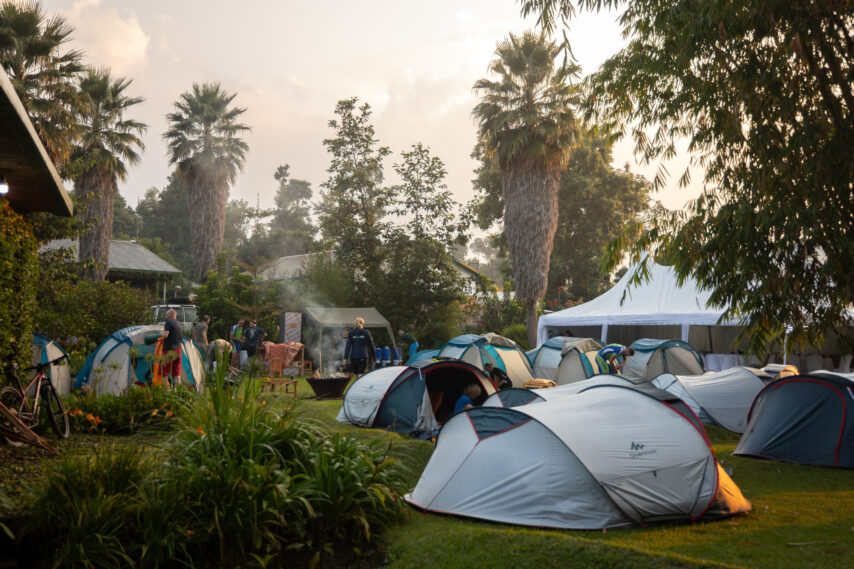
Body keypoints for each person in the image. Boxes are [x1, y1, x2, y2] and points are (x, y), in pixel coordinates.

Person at [159, 308, 183, 386]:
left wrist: (160, 333)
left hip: (169, 351)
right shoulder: (179, 324)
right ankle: (177, 393)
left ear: (170, 315)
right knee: (177, 374)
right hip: (178, 351)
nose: (165, 316)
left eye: (166, 315)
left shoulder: (168, 322)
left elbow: (166, 335)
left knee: (164, 373)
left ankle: (166, 394)